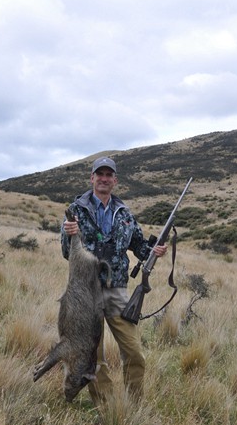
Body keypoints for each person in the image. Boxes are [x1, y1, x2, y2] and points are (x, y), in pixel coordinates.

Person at [61, 156, 167, 404]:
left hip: (117, 291)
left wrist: (154, 252)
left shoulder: (125, 214)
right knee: (93, 358)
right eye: (100, 174)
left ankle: (134, 405)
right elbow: (67, 252)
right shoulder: (75, 211)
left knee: (134, 353)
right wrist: (69, 235)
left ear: (115, 180)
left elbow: (139, 247)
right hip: (86, 293)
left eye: (109, 175)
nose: (104, 179)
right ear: (92, 178)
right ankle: (108, 408)